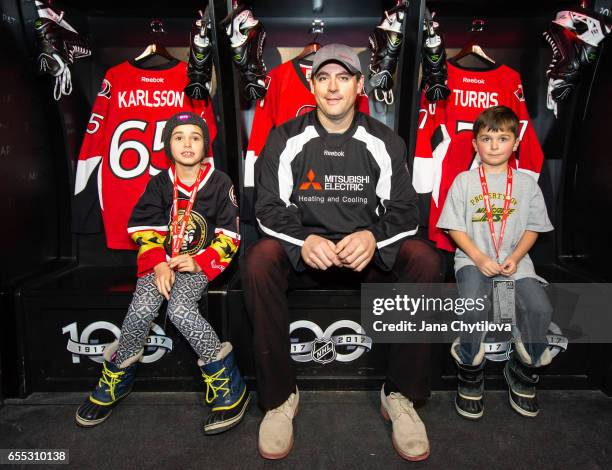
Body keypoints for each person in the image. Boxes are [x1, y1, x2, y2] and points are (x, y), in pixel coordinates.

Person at [242, 44, 442, 461]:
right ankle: (279, 399)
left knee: (424, 258)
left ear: (359, 85)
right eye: (323, 78)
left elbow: (406, 209)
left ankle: (401, 395)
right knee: (260, 258)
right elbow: (267, 208)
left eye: (343, 77)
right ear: (312, 86)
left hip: (363, 255)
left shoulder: (384, 140)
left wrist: (372, 238)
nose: (333, 87)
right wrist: (304, 241)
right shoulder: (285, 138)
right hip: (307, 255)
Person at [75, 112, 250, 434]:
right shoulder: (159, 182)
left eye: (195, 137)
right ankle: (116, 377)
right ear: (168, 145)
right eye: (179, 136)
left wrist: (201, 260)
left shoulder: (220, 182)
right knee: (142, 308)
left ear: (205, 145)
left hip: (197, 265)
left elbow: (230, 234)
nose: (187, 143)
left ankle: (230, 383)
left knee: (181, 310)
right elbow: (142, 226)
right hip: (159, 264)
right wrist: (157, 262)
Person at [437, 106, 555, 420]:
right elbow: (453, 227)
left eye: (502, 138)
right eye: (486, 138)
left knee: (540, 308)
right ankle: (470, 370)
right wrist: (479, 257)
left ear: (515, 143)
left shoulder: (527, 184)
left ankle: (522, 368)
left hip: (516, 264)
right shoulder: (464, 181)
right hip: (473, 260)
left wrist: (515, 258)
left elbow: (533, 228)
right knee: (474, 305)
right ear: (475, 143)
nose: (494, 145)